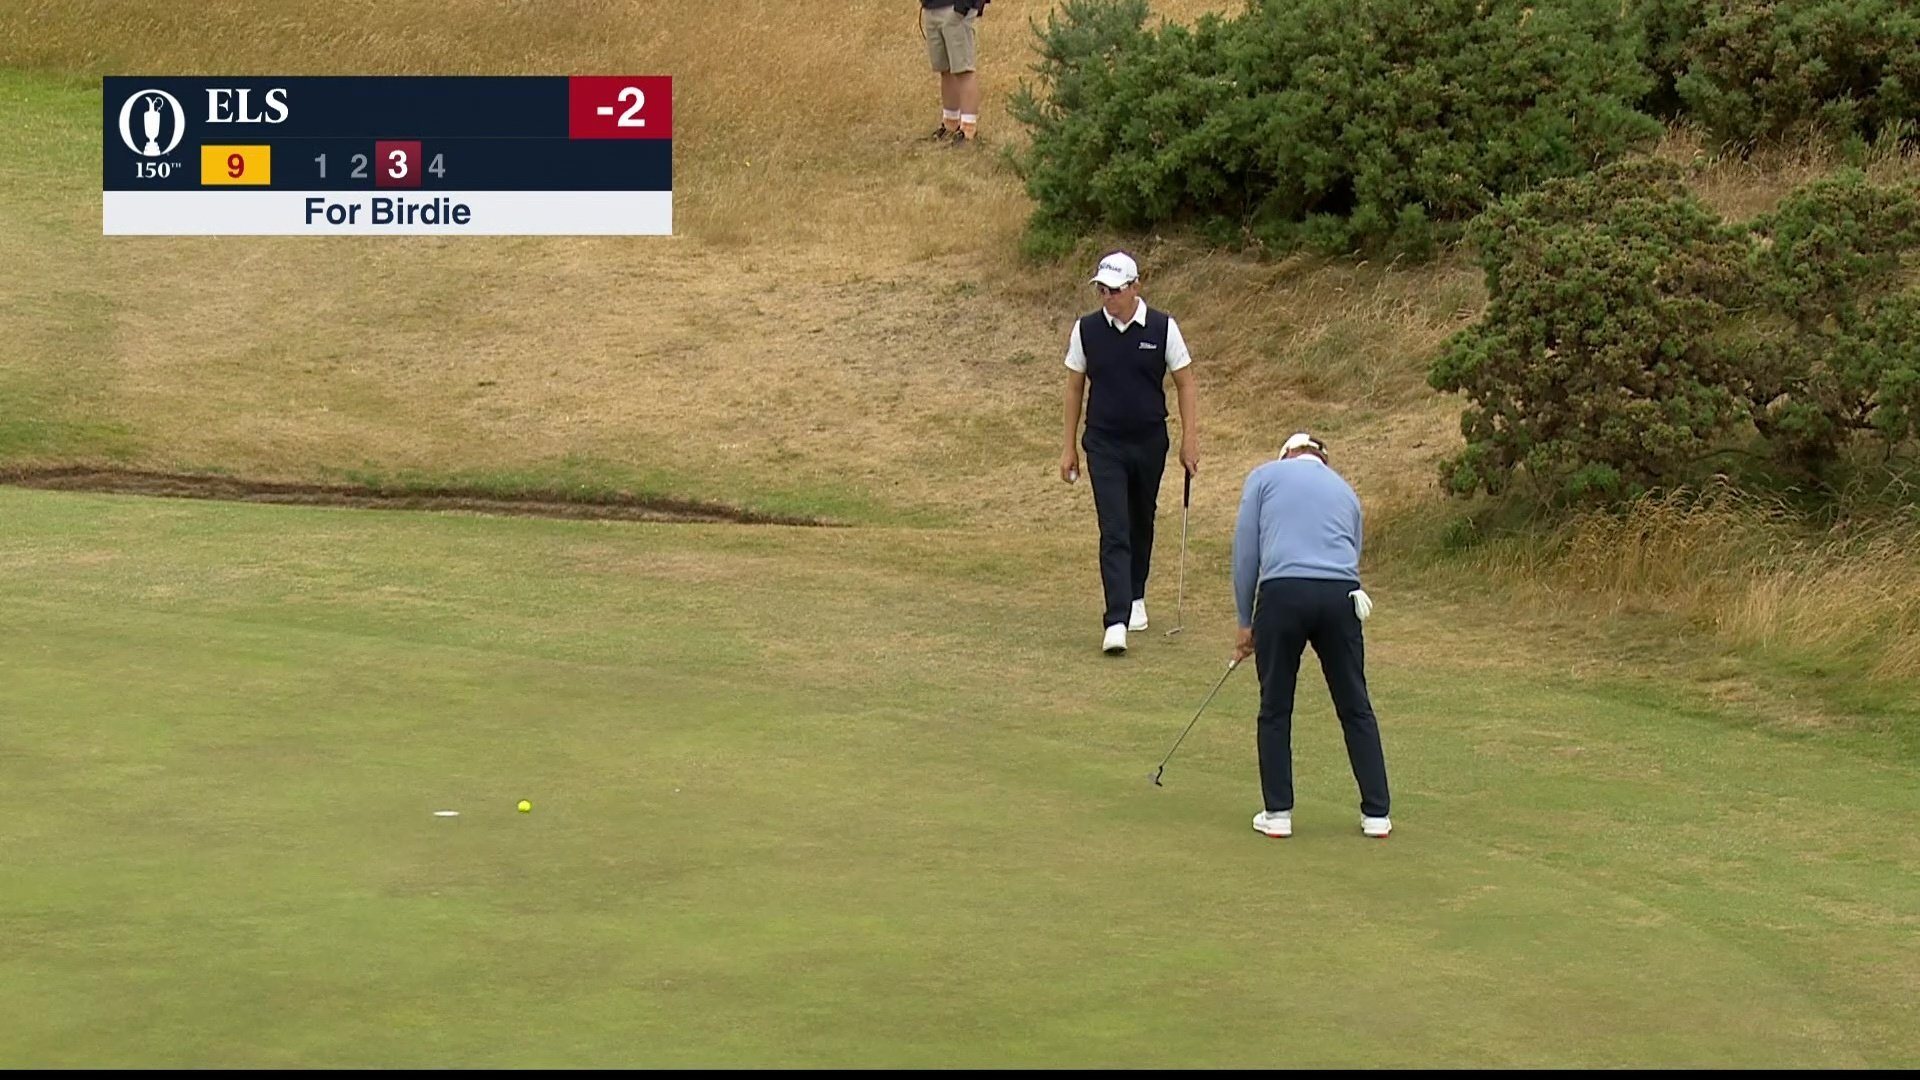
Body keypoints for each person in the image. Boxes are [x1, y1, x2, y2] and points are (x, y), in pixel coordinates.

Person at [1229, 432, 1391, 839]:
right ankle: (1377, 814)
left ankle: (1278, 814)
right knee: (1355, 704)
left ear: (1286, 454)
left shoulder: (1264, 476)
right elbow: (1353, 554)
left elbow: (1246, 553)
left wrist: (1245, 621)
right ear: (1323, 459)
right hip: (1341, 596)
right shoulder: (1345, 490)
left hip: (1282, 593)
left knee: (1275, 705)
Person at [1059, 251, 1200, 655]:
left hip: (1149, 440)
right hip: (1104, 442)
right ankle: (1116, 620)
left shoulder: (1162, 327)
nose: (1107, 298)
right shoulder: (1086, 330)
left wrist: (1190, 439)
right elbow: (1074, 387)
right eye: (1102, 291)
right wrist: (1068, 447)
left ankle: (1136, 593)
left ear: (1136, 287)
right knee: (1114, 526)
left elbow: (1185, 383)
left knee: (1141, 518)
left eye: (1115, 290)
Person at [921, 0, 988, 145]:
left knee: (964, 70)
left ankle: (968, 130)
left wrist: (962, 8)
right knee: (945, 70)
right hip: (932, 8)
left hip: (957, 9)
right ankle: (950, 125)